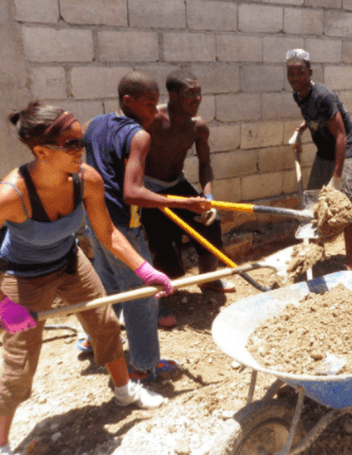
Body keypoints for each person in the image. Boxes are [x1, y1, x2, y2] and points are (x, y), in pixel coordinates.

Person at [0, 103, 170, 455]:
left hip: (69, 262)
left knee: (105, 324)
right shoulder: (11, 195)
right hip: (21, 279)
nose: (82, 150)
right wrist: (5, 307)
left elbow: (108, 234)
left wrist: (143, 269)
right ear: (41, 151)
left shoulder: (86, 179)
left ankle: (124, 393)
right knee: (19, 361)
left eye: (82, 140)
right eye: (72, 145)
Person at [83, 71, 211, 382]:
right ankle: (143, 366)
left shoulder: (95, 124)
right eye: (148, 105)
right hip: (122, 227)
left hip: (94, 220)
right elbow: (131, 192)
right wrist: (186, 203)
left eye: (156, 104)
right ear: (128, 101)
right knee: (141, 295)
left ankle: (94, 339)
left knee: (108, 283)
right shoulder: (139, 136)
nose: (154, 112)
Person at [141, 70, 235, 310]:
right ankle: (163, 296)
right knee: (163, 244)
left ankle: (209, 279)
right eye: (189, 94)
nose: (197, 99)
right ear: (173, 95)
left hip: (177, 183)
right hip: (150, 187)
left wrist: (208, 197)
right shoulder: (154, 121)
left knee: (210, 223)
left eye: (198, 93)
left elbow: (205, 164)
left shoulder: (198, 127)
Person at [286, 49, 352, 271]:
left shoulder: (323, 96)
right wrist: (300, 131)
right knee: (312, 202)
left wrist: (337, 176)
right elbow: (311, 116)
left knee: (344, 205)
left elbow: (340, 135)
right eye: (290, 74)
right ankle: (316, 251)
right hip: (324, 152)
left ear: (309, 72)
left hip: (344, 151)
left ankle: (349, 261)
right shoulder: (298, 94)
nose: (294, 79)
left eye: (299, 74)